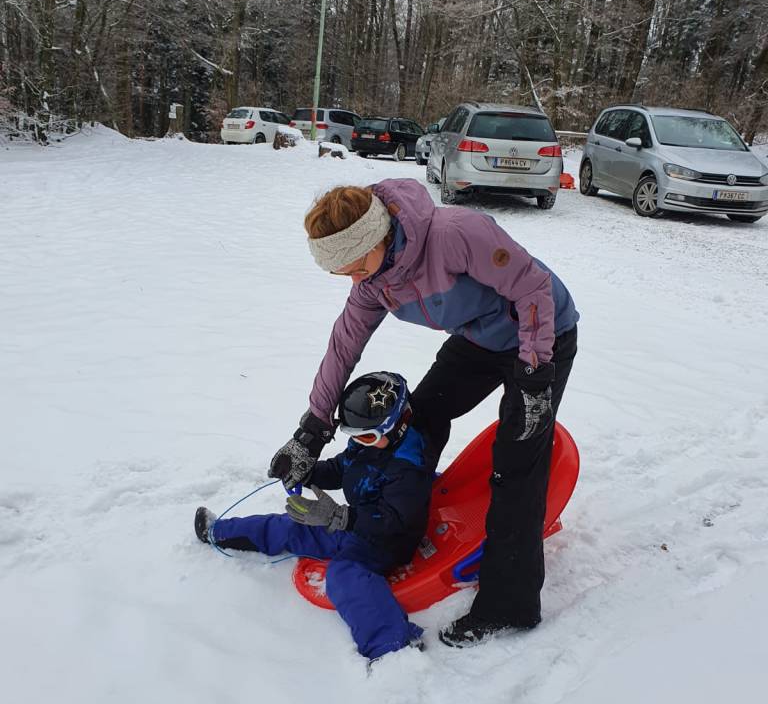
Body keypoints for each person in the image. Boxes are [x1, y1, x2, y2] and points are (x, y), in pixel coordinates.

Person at [269, 178, 579, 647]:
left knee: (517, 463)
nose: (354, 280)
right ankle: (394, 523)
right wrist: (310, 432)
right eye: (343, 273)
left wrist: (535, 377)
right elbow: (343, 345)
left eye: (356, 267)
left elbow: (532, 285)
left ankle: (510, 606)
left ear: (377, 236)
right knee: (416, 421)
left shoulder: (456, 234)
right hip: (479, 338)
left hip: (541, 338)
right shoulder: (375, 280)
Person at [196, 371, 434, 661]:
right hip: (352, 524)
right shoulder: (369, 444)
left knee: (344, 574)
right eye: (353, 435)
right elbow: (341, 469)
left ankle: (392, 647)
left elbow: (395, 520)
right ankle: (219, 531)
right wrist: (307, 473)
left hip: (386, 542)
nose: (359, 441)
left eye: (366, 436)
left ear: (399, 426)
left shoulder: (409, 468)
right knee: (291, 526)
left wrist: (342, 518)